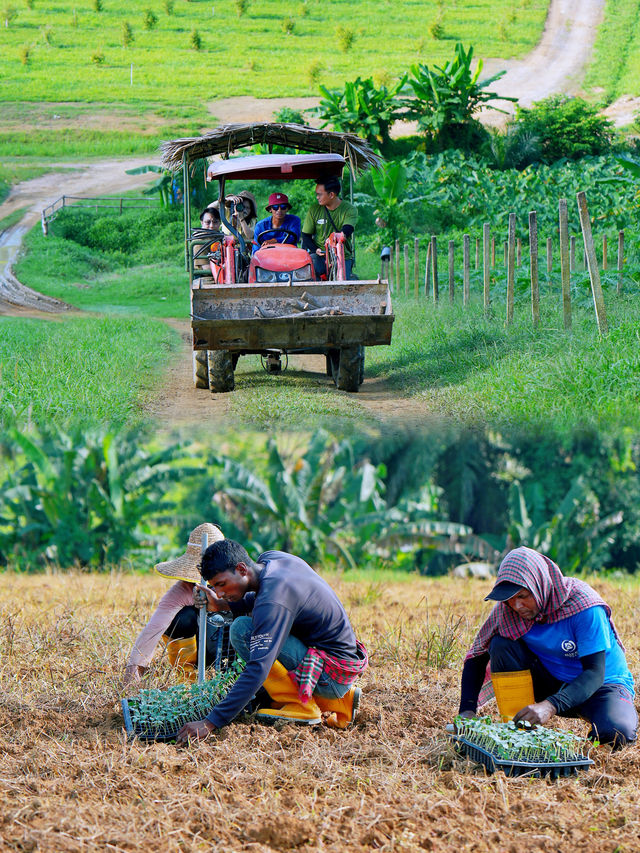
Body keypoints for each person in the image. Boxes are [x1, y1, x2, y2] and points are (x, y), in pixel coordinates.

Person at [175, 539, 368, 743]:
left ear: (241, 569)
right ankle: (337, 701)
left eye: (222, 585)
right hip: (338, 662)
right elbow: (261, 599)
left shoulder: (274, 598)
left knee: (242, 630)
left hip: (331, 674)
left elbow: (258, 667)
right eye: (215, 587)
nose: (219, 592)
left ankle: (302, 706)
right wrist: (222, 604)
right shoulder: (272, 559)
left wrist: (211, 722)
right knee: (250, 627)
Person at [458, 546, 637, 747]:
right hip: (551, 680)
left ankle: (602, 722)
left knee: (618, 733)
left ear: (539, 586)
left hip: (600, 686)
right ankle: (519, 730)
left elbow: (594, 673)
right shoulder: (507, 611)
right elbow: (477, 656)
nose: (516, 606)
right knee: (501, 645)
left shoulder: (584, 607)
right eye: (510, 599)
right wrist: (467, 710)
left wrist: (550, 706)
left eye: (523, 596)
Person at [123, 523, 226, 687]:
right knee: (183, 618)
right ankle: (187, 682)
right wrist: (132, 675)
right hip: (201, 651)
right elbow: (153, 630)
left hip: (229, 649)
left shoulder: (238, 585)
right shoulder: (182, 590)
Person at [301, 176, 358, 279]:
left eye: (319, 194)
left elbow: (348, 229)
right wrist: (316, 250)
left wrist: (339, 237)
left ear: (331, 194)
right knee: (311, 275)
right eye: (316, 194)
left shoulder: (349, 209)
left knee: (343, 285)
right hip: (319, 255)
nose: (317, 197)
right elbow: (305, 235)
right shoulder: (314, 209)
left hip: (342, 255)